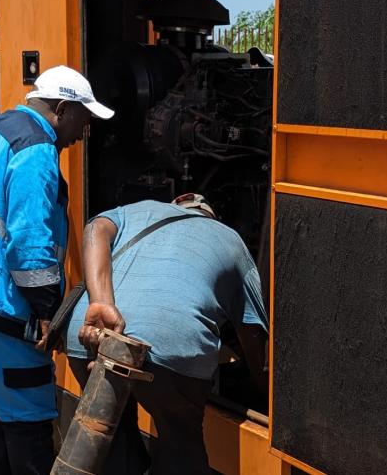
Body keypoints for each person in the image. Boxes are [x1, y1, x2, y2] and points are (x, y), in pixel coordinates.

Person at [0, 65, 114, 475]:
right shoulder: (36, 149)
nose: (83, 133)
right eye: (83, 120)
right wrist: (48, 311)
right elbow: (30, 242)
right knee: (28, 419)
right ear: (62, 109)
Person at [65, 194, 269, 475]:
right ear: (210, 217)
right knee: (178, 441)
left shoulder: (138, 209)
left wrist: (101, 302)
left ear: (175, 204)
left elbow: (95, 228)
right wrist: (264, 386)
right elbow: (253, 332)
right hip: (167, 348)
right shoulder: (231, 239)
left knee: (114, 444)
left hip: (88, 335)